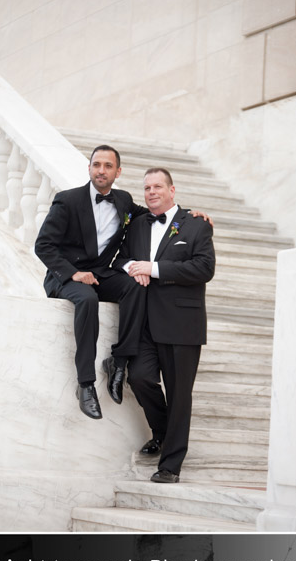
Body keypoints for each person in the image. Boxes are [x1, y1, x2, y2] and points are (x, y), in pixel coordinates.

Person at [34, 146, 212, 419]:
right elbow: (43, 245)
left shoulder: (123, 201)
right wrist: (73, 273)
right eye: (96, 165)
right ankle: (85, 384)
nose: (101, 170)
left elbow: (155, 212)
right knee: (87, 298)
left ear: (118, 172)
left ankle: (118, 361)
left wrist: (189, 217)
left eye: (107, 166)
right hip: (66, 277)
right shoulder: (67, 201)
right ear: (90, 168)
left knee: (135, 284)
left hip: (100, 273)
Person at [115, 168, 215, 483]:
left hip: (181, 323)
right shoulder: (139, 224)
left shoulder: (197, 224)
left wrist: (155, 269)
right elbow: (120, 258)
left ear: (173, 190)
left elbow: (203, 268)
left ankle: (170, 466)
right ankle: (162, 432)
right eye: (146, 188)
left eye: (158, 186)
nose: (151, 192)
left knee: (179, 394)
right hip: (144, 322)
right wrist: (134, 267)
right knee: (141, 378)